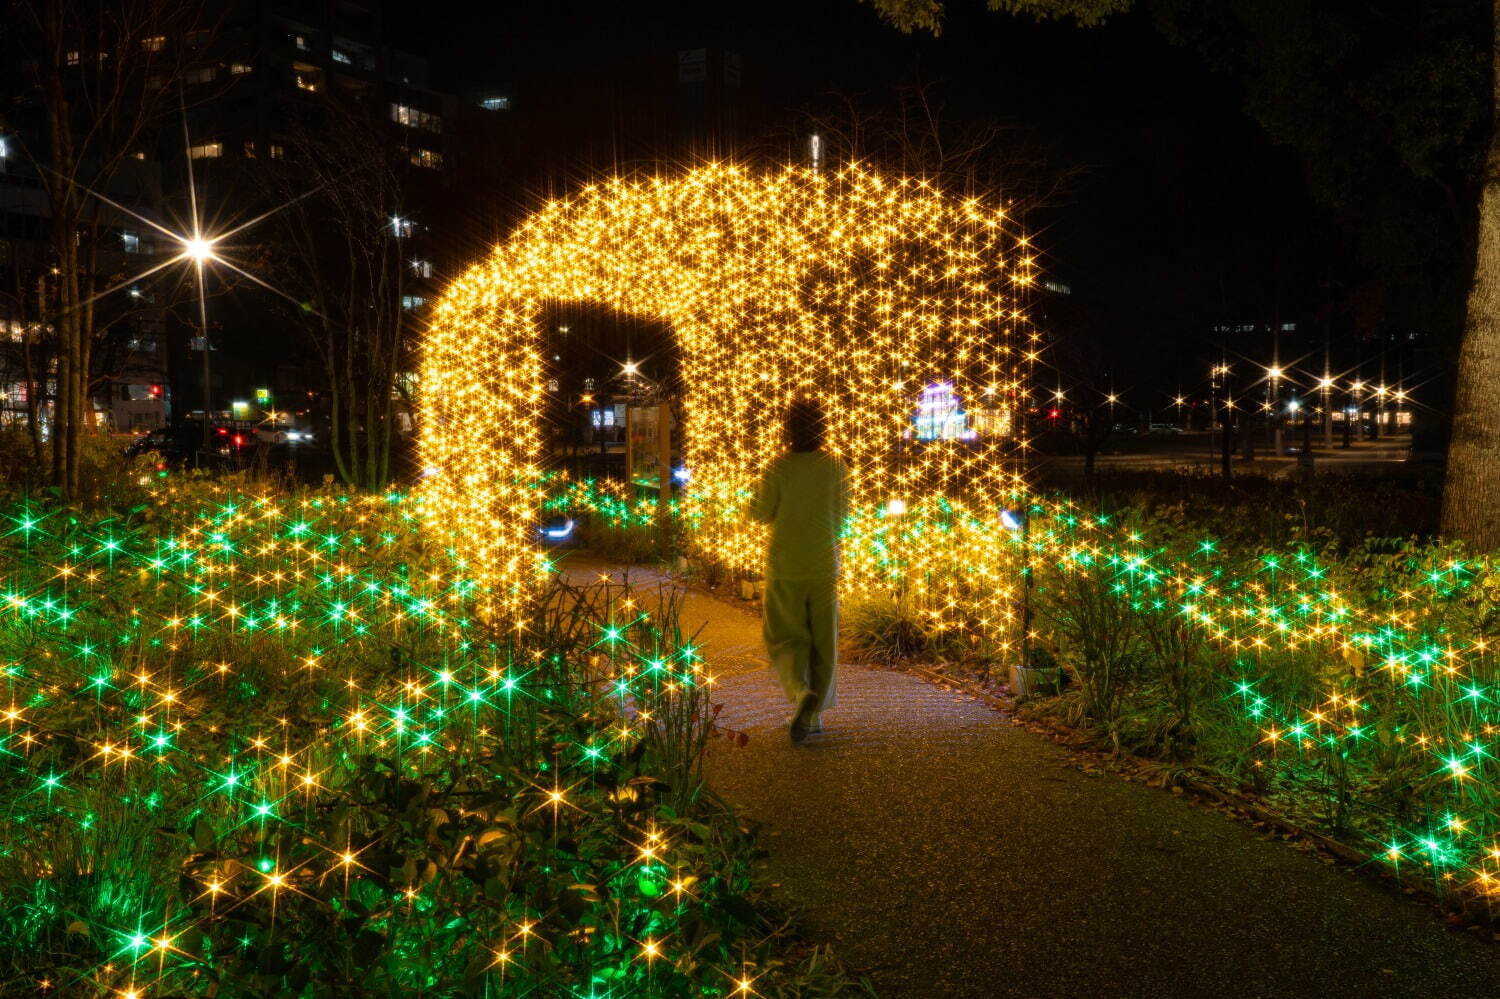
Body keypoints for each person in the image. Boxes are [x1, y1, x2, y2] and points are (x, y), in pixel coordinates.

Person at [748, 398, 850, 744]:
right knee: (824, 641)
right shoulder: (836, 465)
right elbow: (844, 516)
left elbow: (760, 513)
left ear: (787, 428)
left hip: (786, 564)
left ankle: (798, 692)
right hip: (824, 563)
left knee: (785, 637)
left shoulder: (778, 466)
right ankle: (815, 714)